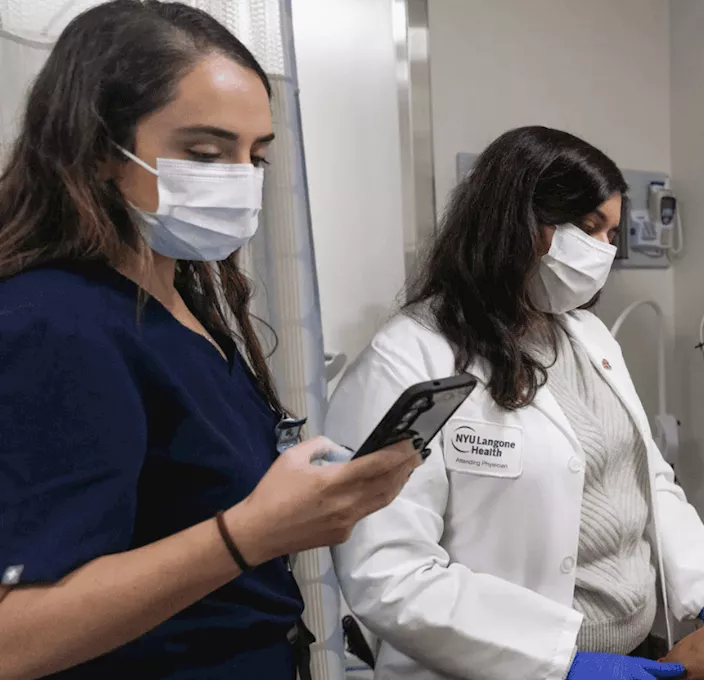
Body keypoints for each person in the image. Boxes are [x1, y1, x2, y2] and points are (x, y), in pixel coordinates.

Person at [0, 3, 418, 679]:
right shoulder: (52, 323)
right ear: (101, 150)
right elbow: (12, 638)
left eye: (256, 155)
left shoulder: (185, 304)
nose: (240, 180)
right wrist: (251, 534)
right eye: (204, 152)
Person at [327, 125, 704, 680]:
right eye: (588, 227)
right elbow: (389, 571)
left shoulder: (588, 336)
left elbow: (647, 481)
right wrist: (561, 663)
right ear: (513, 221)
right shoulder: (409, 357)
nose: (602, 250)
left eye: (612, 234)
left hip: (634, 657)